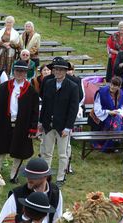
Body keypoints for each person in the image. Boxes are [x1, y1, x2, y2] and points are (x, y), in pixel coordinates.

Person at [0, 60, 40, 182]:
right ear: (14, 71)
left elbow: (35, 112)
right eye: (17, 70)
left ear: (26, 73)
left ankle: (14, 175)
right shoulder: (3, 87)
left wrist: (33, 128)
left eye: (22, 71)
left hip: (22, 125)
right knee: (0, 149)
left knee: (19, 151)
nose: (19, 73)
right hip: (4, 123)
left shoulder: (31, 91)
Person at [39, 57, 80, 186]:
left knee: (63, 153)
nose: (58, 72)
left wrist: (68, 127)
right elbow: (44, 104)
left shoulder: (73, 86)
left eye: (61, 70)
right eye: (55, 69)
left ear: (65, 71)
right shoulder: (48, 83)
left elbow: (73, 109)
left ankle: (61, 177)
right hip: (48, 124)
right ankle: (44, 176)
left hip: (63, 126)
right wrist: (41, 122)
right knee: (46, 152)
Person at [90, 76, 123, 152]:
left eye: (115, 85)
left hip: (114, 116)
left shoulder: (121, 94)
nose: (112, 87)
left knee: (117, 120)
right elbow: (97, 108)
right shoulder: (102, 92)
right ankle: (108, 144)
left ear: (119, 86)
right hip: (100, 115)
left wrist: (118, 112)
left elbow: (122, 107)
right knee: (113, 122)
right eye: (111, 84)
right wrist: (109, 112)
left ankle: (113, 143)